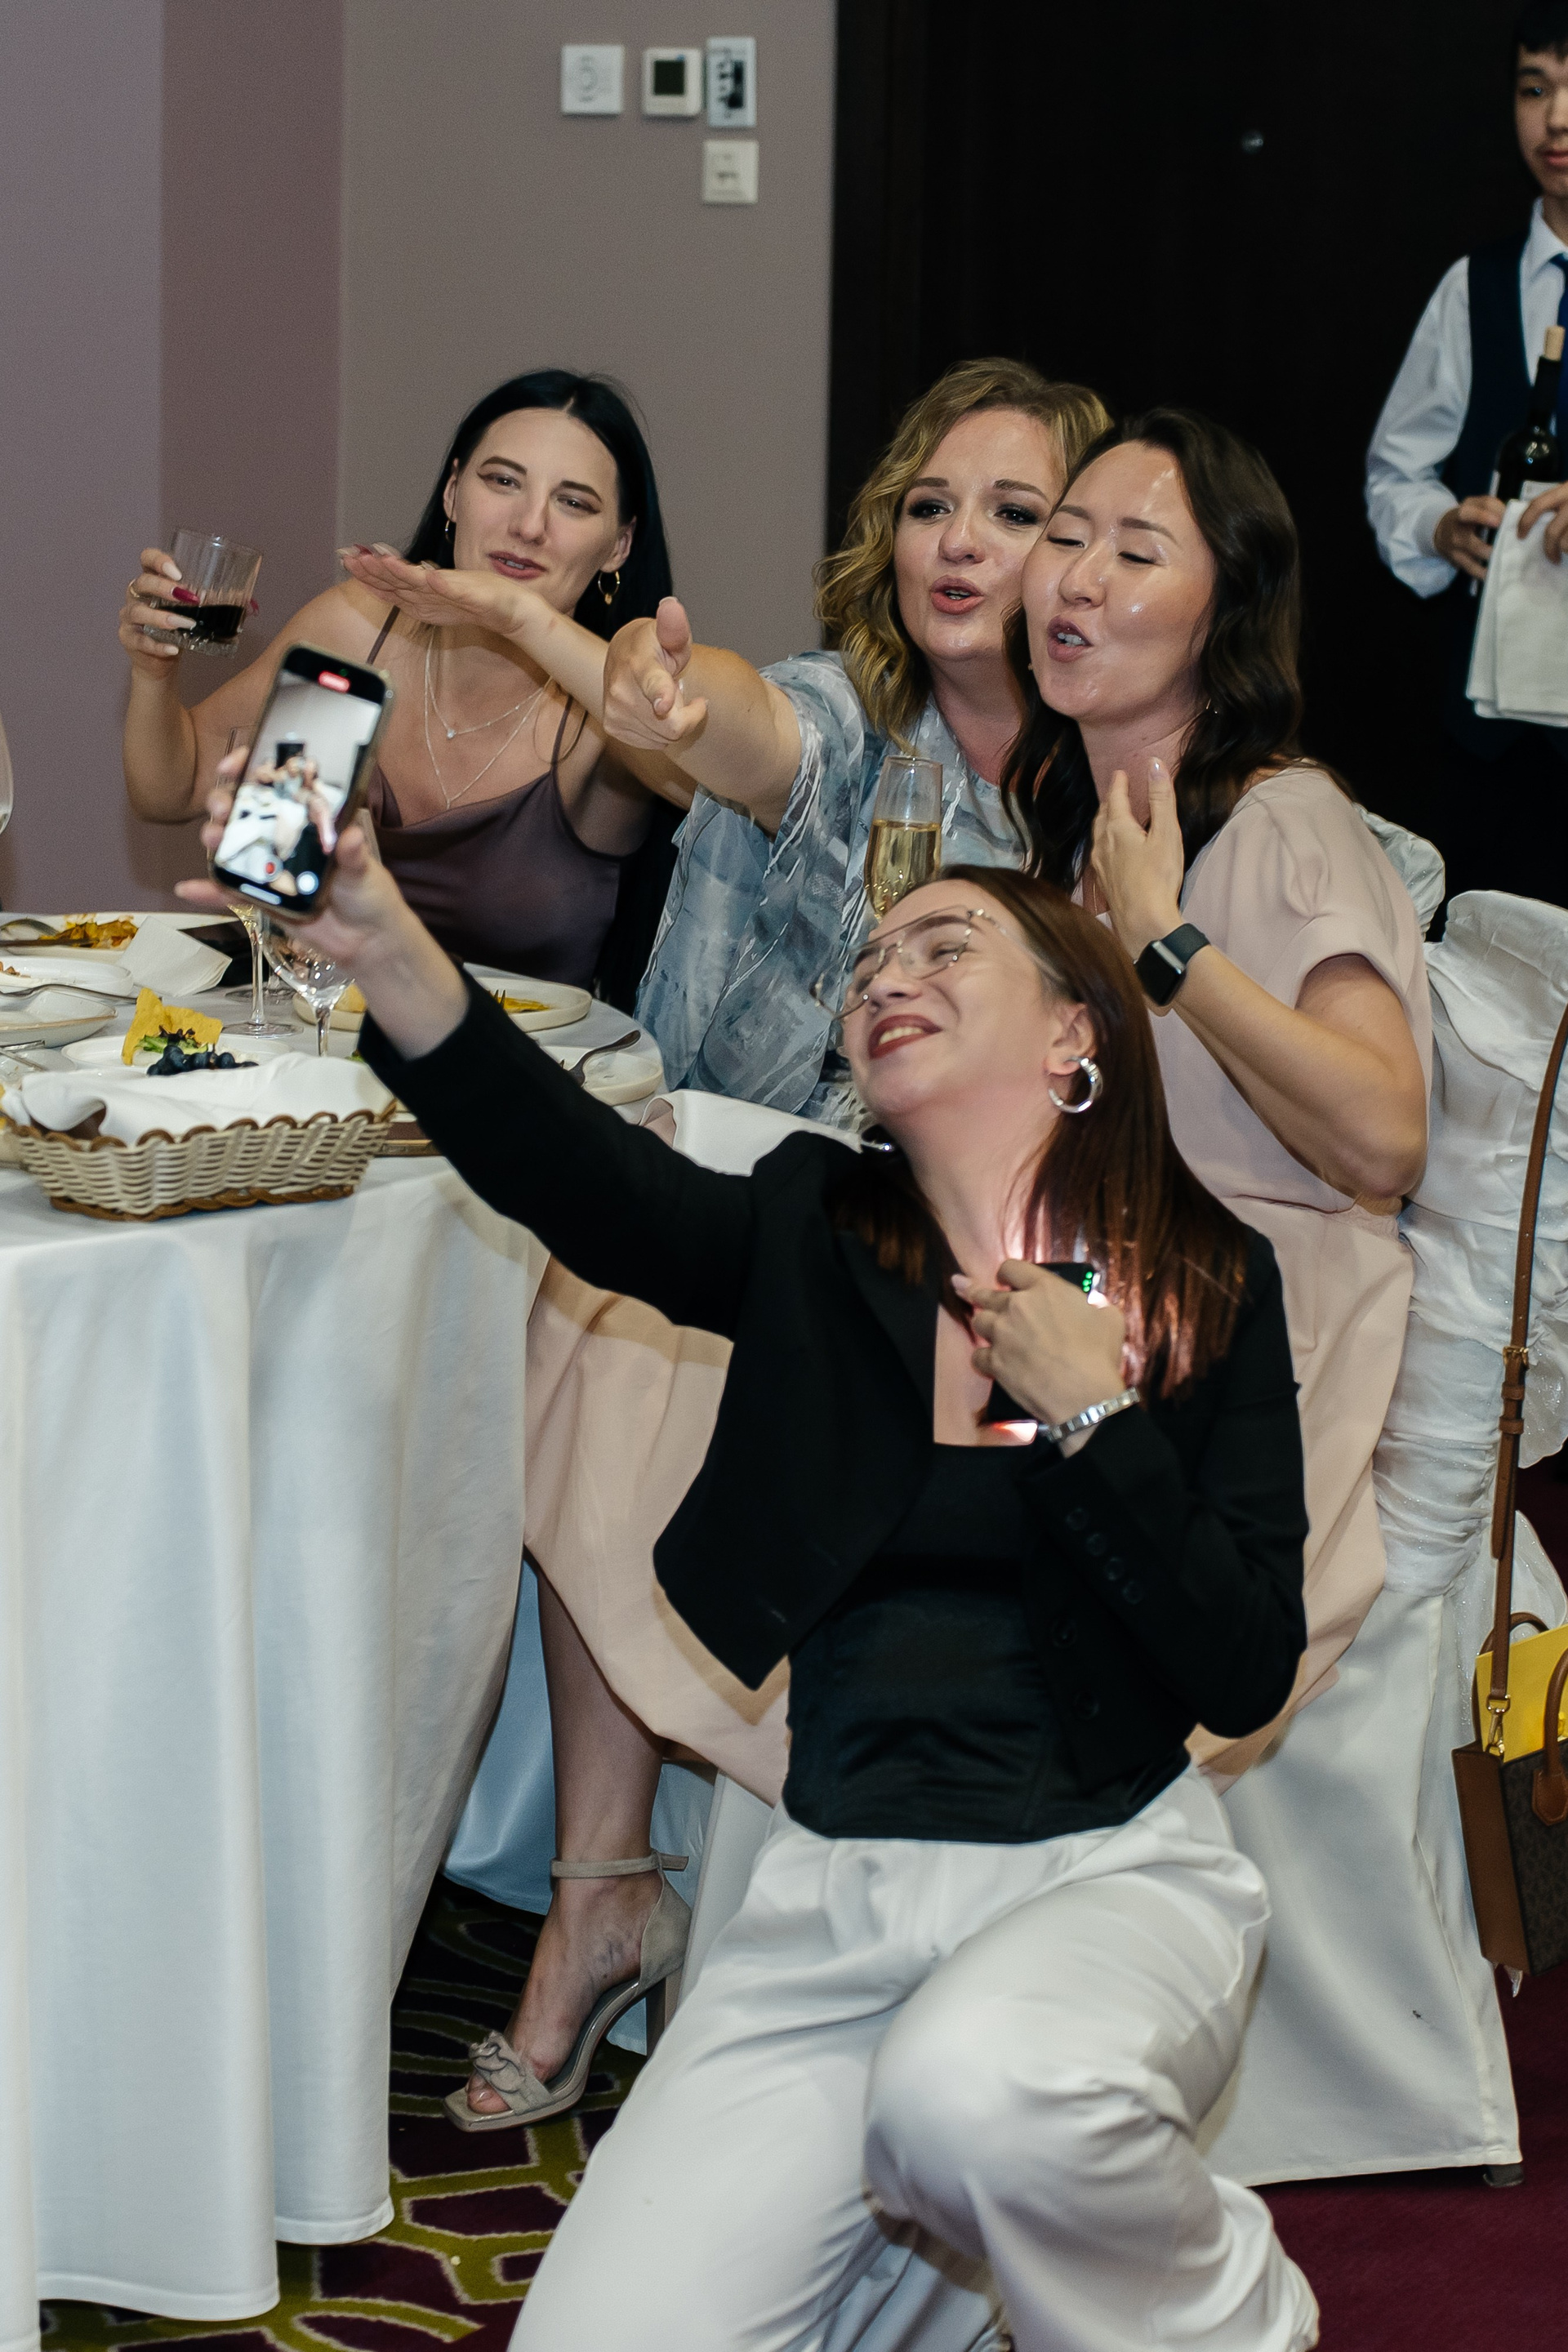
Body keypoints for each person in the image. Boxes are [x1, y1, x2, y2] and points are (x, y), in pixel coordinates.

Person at [183, 795, 1319, 2351]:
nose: (886, 974)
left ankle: (1236, 2317)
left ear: (1076, 1032)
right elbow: (576, 1174)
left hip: (1102, 1877)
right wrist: (379, 936)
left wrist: (1096, 1420)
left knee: (977, 2095)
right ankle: (931, 2262)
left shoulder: (1205, 1278)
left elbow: (1245, 1668)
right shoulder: (815, 1234)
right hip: (835, 1901)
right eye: (871, 963)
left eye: (946, 945)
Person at [1006, 408, 1463, 2183]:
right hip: (1102, 1293)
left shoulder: (1279, 820)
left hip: (1258, 1336)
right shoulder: (1078, 809)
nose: (1076, 577)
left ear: (1226, 608)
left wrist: (1167, 948)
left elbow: (1385, 1135)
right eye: (1069, 535)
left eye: (1137, 550)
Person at [602, 358, 1111, 1123]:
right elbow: (754, 720)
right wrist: (653, 665)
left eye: (1013, 514)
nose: (958, 541)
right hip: (725, 1162)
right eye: (929, 507)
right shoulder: (851, 710)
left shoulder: (1119, 776)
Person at [119, 369, 689, 1002]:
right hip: (328, 1043)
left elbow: (710, 773)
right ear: (453, 493)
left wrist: (522, 617)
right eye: (503, 481)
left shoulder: (612, 704)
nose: (530, 525)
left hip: (522, 1058)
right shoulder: (360, 628)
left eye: (573, 503)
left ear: (619, 546)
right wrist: (153, 670)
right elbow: (173, 789)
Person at [1365, 1, 1568, 908]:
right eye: (1534, 89)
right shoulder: (1473, 288)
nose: (1557, 119)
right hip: (1494, 742)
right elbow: (1394, 472)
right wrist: (1438, 526)